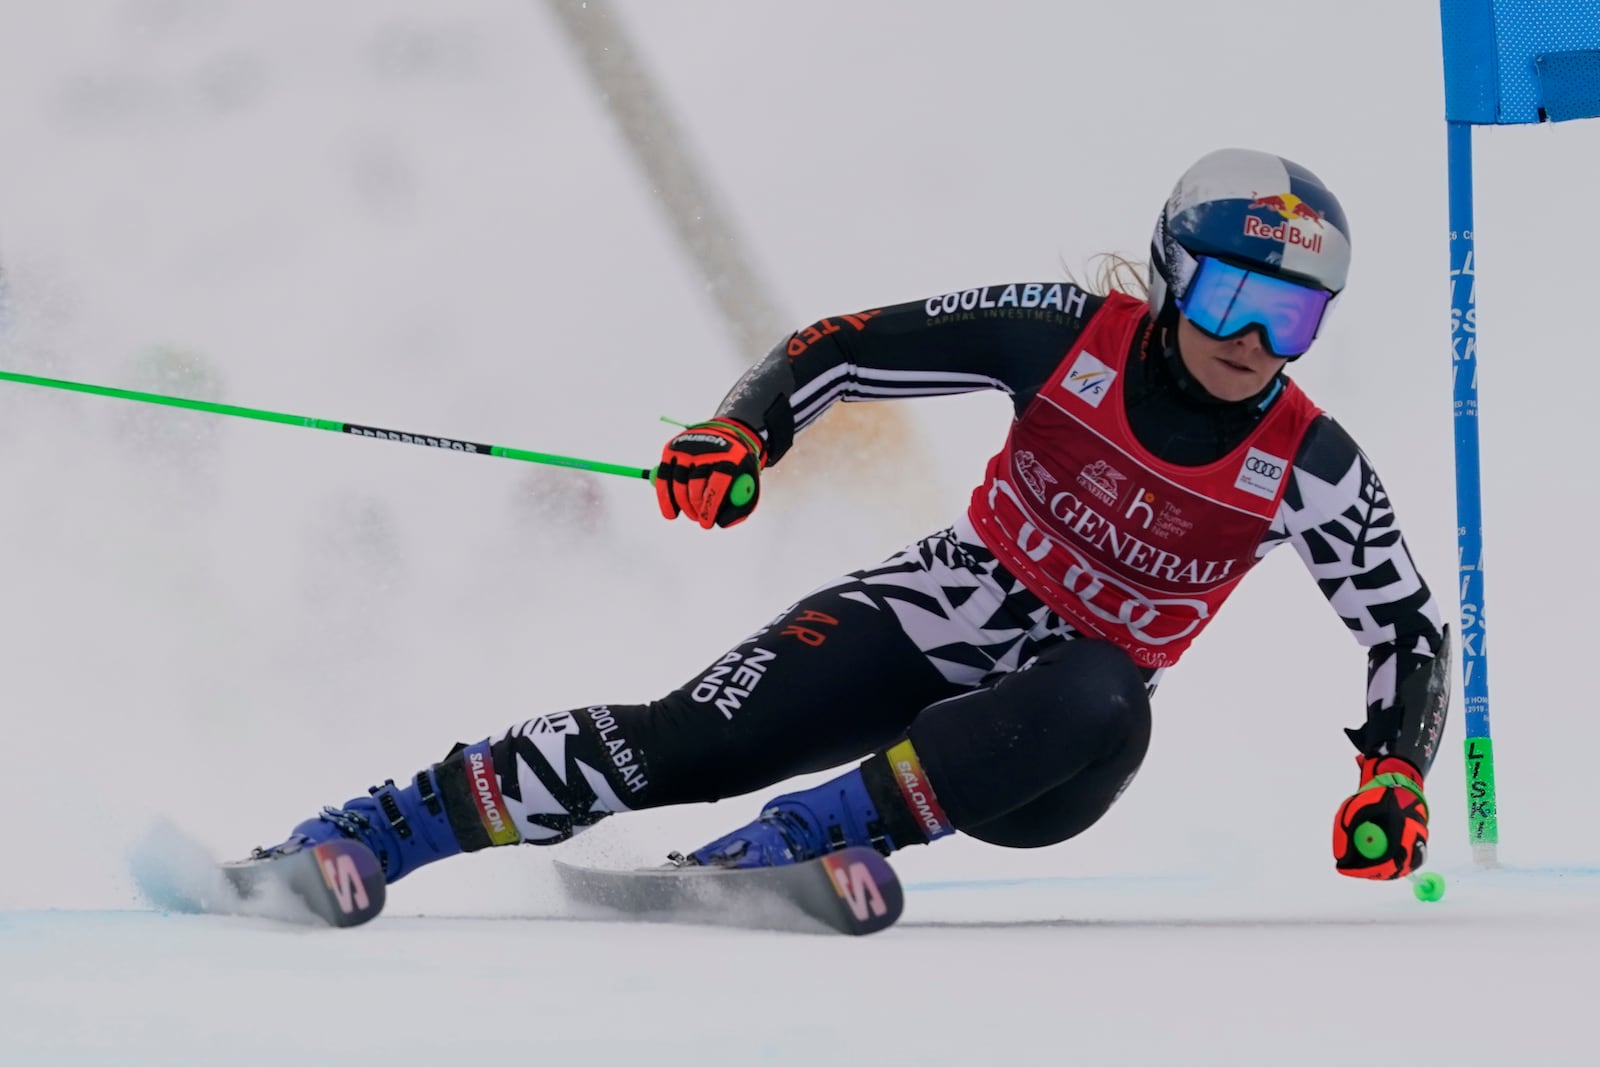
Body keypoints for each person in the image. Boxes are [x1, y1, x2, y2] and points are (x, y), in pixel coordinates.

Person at [254, 148, 1449, 887]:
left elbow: (1406, 631)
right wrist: (742, 433)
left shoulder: (1310, 464)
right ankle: (377, 829)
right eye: (1235, 298)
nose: (1252, 344)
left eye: (1290, 320)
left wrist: (1395, 775)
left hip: (1046, 755)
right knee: (686, 740)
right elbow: (840, 349)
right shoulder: (1062, 331)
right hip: (937, 609)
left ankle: (812, 835)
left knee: (1102, 683)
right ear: (1173, 272)